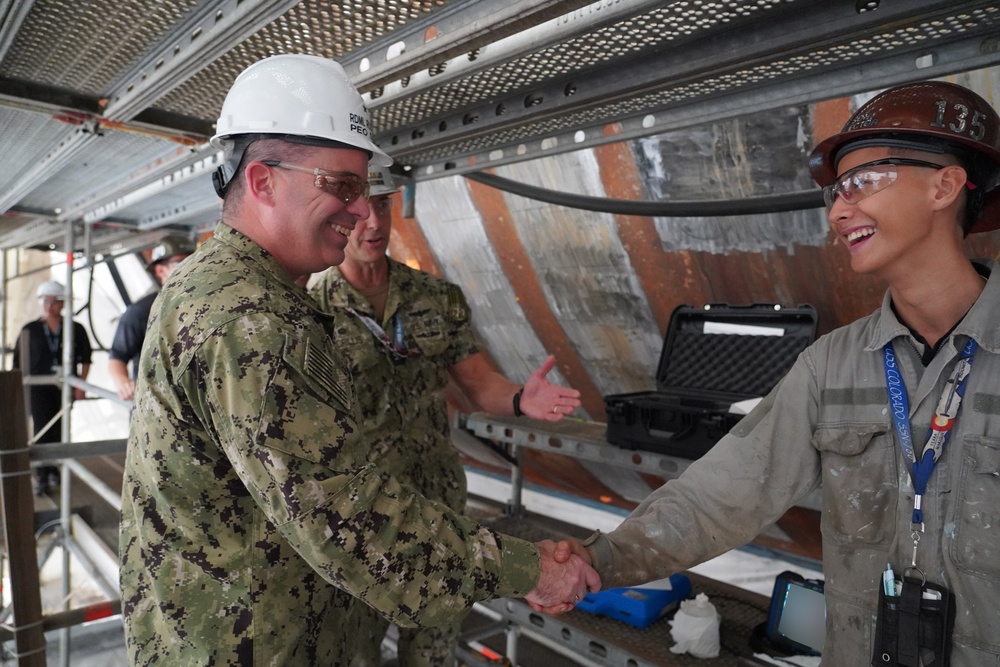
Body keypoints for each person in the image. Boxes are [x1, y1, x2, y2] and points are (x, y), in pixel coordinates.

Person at [117, 53, 598, 666]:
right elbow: (344, 519)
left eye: (368, 192)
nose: (360, 211)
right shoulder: (251, 321)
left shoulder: (242, 292)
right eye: (342, 187)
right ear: (263, 181)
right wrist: (529, 568)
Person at [550, 80, 1000, 665]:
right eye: (836, 191)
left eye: (862, 181)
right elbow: (721, 495)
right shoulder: (830, 366)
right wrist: (600, 560)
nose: (839, 209)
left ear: (945, 185)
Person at [311, 166, 583, 665]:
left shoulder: (436, 298)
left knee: (435, 644)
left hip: (436, 504)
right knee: (353, 646)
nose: (374, 223)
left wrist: (522, 398)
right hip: (363, 513)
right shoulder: (311, 310)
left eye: (385, 205)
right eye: (363, 207)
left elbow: (480, 385)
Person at [12, 280, 93, 495]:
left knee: (61, 428)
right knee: (41, 429)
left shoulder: (75, 328)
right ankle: (42, 474)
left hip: (64, 387)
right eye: (45, 301)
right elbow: (17, 363)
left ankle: (55, 470)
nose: (49, 306)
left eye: (54, 301)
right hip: (37, 390)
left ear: (63, 303)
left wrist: (81, 386)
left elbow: (86, 358)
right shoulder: (29, 330)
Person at [107, 236, 193, 401]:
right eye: (180, 262)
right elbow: (117, 357)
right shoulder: (140, 312)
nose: (189, 268)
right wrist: (123, 383)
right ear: (160, 270)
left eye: (193, 261)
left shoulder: (205, 306)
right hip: (156, 409)